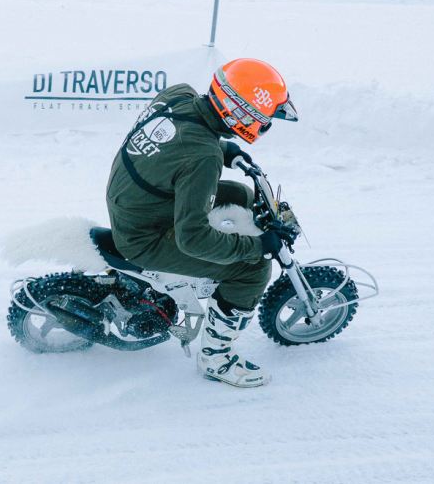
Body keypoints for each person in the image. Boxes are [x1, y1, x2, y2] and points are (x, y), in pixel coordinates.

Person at [105, 58, 299, 388]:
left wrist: (225, 150)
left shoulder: (179, 95)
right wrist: (256, 247)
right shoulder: (201, 158)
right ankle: (216, 358)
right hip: (143, 234)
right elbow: (192, 239)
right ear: (243, 115)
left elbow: (176, 138)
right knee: (251, 270)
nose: (266, 126)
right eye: (265, 120)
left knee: (238, 193)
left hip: (135, 195)